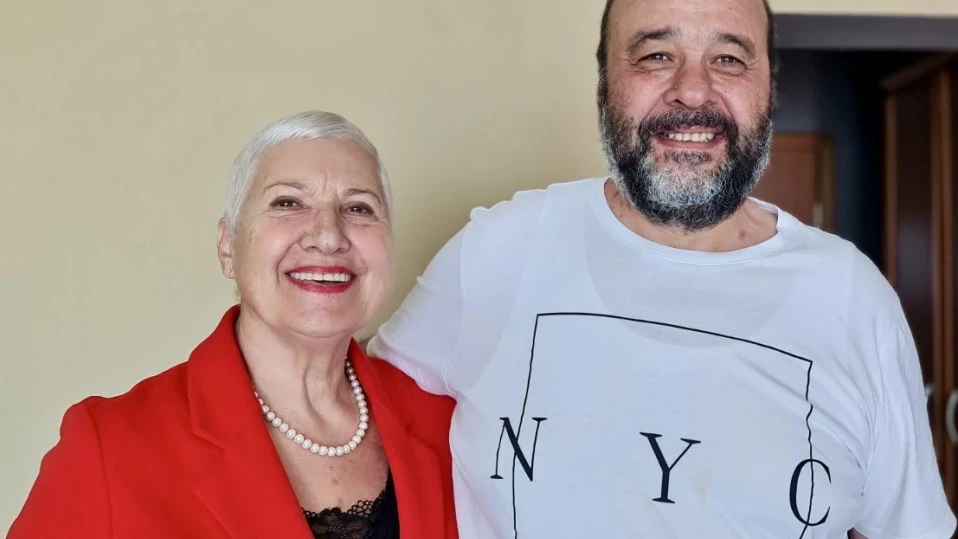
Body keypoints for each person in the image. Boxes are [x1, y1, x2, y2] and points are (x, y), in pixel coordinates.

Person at [368, 0, 957, 537]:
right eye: (656, 55)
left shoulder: (853, 300)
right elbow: (347, 419)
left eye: (728, 59)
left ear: (768, 92)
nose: (693, 92)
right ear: (604, 88)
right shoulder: (497, 252)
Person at [9, 111, 458, 539]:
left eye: (358, 208)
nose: (328, 236)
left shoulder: (449, 425)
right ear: (228, 247)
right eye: (288, 203)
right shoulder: (111, 446)